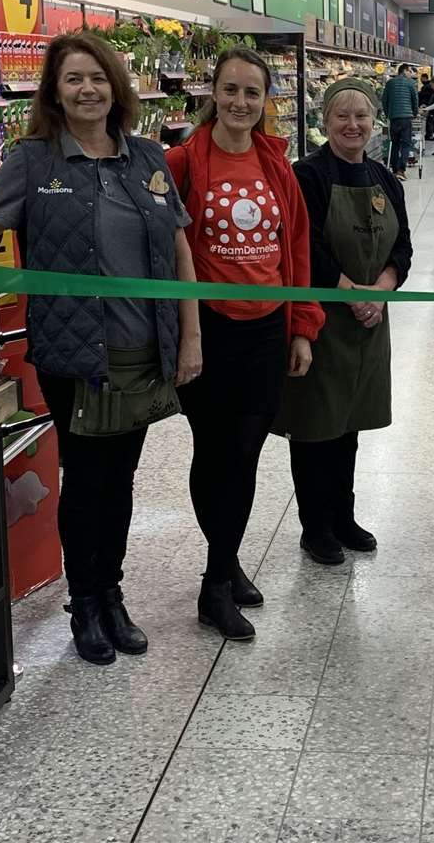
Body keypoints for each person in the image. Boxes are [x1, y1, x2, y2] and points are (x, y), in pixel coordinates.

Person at [0, 33, 200, 667]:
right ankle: (85, 602)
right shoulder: (34, 161)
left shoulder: (146, 157)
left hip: (146, 346)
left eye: (98, 78)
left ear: (116, 86)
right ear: (54, 92)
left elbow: (179, 251)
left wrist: (191, 337)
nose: (87, 90)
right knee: (86, 479)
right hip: (77, 352)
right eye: (73, 80)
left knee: (122, 479)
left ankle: (111, 592)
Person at [166, 47, 325, 642]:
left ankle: (223, 564)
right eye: (230, 90)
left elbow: (298, 248)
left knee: (247, 451)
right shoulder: (183, 162)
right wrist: (182, 334)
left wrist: (304, 325)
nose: (239, 102)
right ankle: (216, 578)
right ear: (213, 93)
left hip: (266, 329)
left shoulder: (276, 166)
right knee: (214, 452)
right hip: (207, 330)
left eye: (251, 93)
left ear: (266, 102)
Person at [273, 78, 413, 564]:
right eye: (341, 116)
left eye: (361, 116)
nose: (352, 124)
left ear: (374, 122)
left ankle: (343, 515)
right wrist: (354, 295)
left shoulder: (385, 179)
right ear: (324, 122)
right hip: (321, 320)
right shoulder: (305, 176)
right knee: (315, 426)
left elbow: (403, 248)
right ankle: (315, 526)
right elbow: (304, 247)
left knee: (350, 422)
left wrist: (383, 290)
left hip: (371, 319)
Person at [380, 63, 420, 179]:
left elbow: (384, 100)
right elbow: (414, 100)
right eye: (409, 71)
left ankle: (394, 169)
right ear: (405, 71)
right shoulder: (410, 83)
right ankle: (401, 170)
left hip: (394, 118)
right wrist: (415, 112)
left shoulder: (390, 83)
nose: (410, 74)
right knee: (406, 144)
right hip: (406, 118)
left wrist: (388, 114)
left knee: (395, 144)